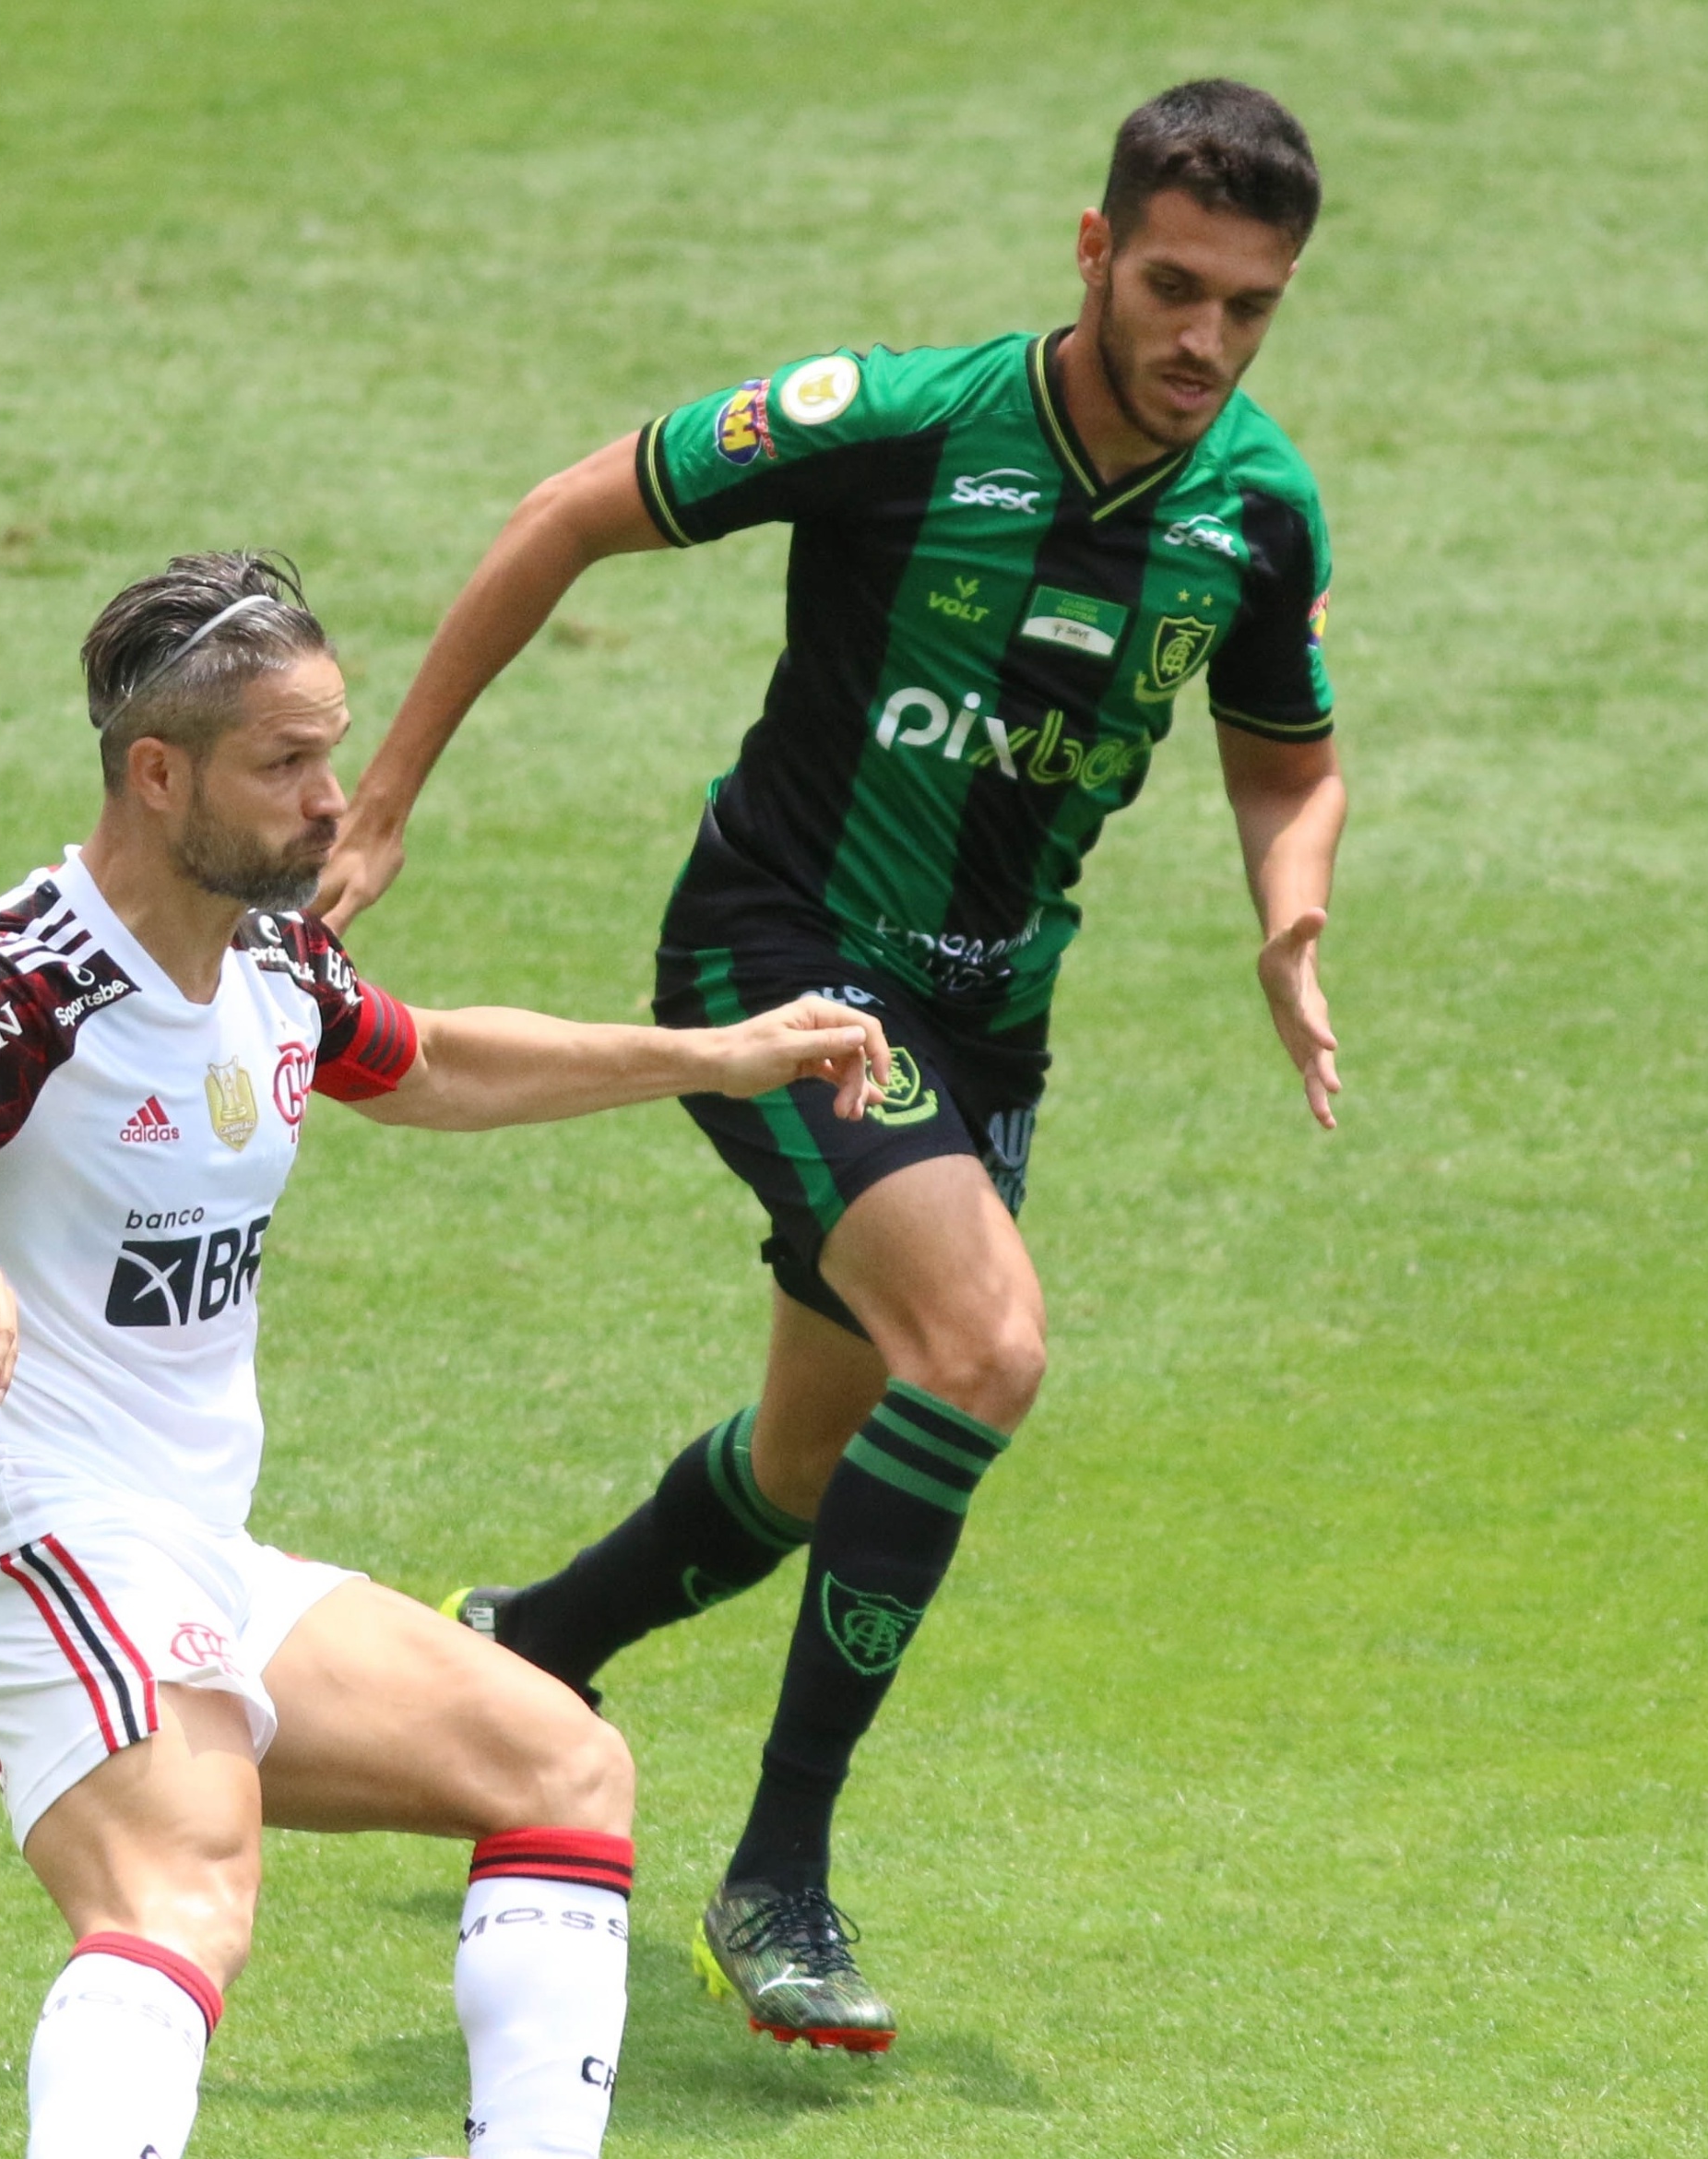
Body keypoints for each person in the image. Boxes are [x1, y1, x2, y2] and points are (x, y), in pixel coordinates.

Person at [0, 552, 890, 2159]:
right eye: (287, 762)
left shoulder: (267, 955)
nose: (335, 799)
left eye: (333, 753)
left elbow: (420, 1064)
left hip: (187, 1547)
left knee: (556, 1758)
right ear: (157, 776)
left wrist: (714, 1054)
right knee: (189, 1856)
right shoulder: (18, 979)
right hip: (25, 1534)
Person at [314, 82, 1350, 2056]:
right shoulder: (896, 423)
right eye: (1174, 284)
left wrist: (1288, 908)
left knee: (814, 1462)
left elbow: (1289, 751)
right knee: (984, 1348)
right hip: (781, 965)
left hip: (984, 1027)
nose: (1203, 340)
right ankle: (775, 1870)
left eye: (1252, 307)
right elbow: (571, 508)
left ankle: (528, 1649)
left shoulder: (1256, 509)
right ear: (1092, 250)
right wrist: (390, 791)